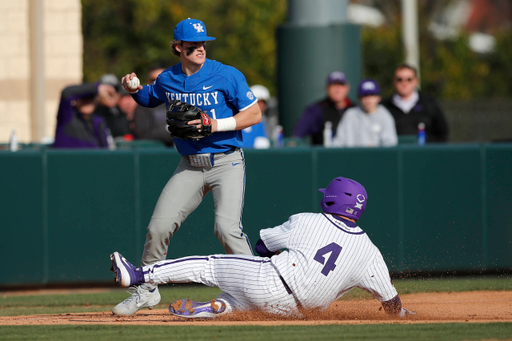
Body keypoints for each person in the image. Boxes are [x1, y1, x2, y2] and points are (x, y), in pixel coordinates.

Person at [113, 18, 262, 316]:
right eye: (193, 45)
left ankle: (257, 288)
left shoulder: (227, 75)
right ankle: (147, 289)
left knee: (226, 229)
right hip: (189, 165)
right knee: (158, 228)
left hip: (226, 160)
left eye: (203, 43)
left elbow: (254, 114)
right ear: (178, 48)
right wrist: (134, 88)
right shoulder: (168, 78)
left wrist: (215, 124)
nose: (200, 49)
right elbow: (150, 97)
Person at [110, 176, 416, 319]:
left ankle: (138, 275)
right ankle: (215, 309)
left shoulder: (309, 221)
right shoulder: (369, 250)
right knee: (239, 299)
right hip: (297, 313)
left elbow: (261, 244)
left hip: (273, 281)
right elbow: (391, 303)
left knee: (211, 265)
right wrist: (403, 314)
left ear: (332, 200)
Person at [381, 64, 449, 143]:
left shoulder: (429, 104)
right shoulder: (384, 107)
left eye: (409, 79)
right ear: (394, 81)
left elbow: (442, 134)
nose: (404, 83)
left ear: (416, 81)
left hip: (424, 154)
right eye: (399, 79)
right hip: (395, 154)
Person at [293, 71, 355, 145]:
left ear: (347, 88)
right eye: (334, 85)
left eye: (341, 85)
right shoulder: (316, 110)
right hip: (325, 155)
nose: (337, 89)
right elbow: (296, 137)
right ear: (327, 88)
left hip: (352, 154)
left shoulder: (355, 109)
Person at [333, 79, 397, 147]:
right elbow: (339, 142)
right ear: (359, 98)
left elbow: (390, 144)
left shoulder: (385, 116)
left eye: (372, 95)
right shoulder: (350, 115)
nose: (368, 99)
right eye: (365, 95)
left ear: (378, 97)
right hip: (352, 156)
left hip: (377, 157)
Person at [53, 82, 115, 148]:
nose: (87, 101)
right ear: (76, 101)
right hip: (69, 158)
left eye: (91, 98)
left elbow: (105, 150)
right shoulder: (67, 117)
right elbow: (66, 93)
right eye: (83, 98)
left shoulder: (98, 123)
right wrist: (97, 88)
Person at [131, 66, 174, 146]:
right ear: (148, 81)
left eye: (162, 79)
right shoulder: (143, 105)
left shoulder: (179, 101)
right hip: (157, 154)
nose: (158, 83)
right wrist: (172, 130)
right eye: (153, 80)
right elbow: (143, 135)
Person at [93, 74, 133, 139]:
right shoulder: (92, 112)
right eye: (106, 90)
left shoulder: (120, 113)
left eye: (116, 89)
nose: (112, 92)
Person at [241, 85, 271, 149]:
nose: (261, 106)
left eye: (263, 103)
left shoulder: (267, 123)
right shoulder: (240, 119)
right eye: (258, 102)